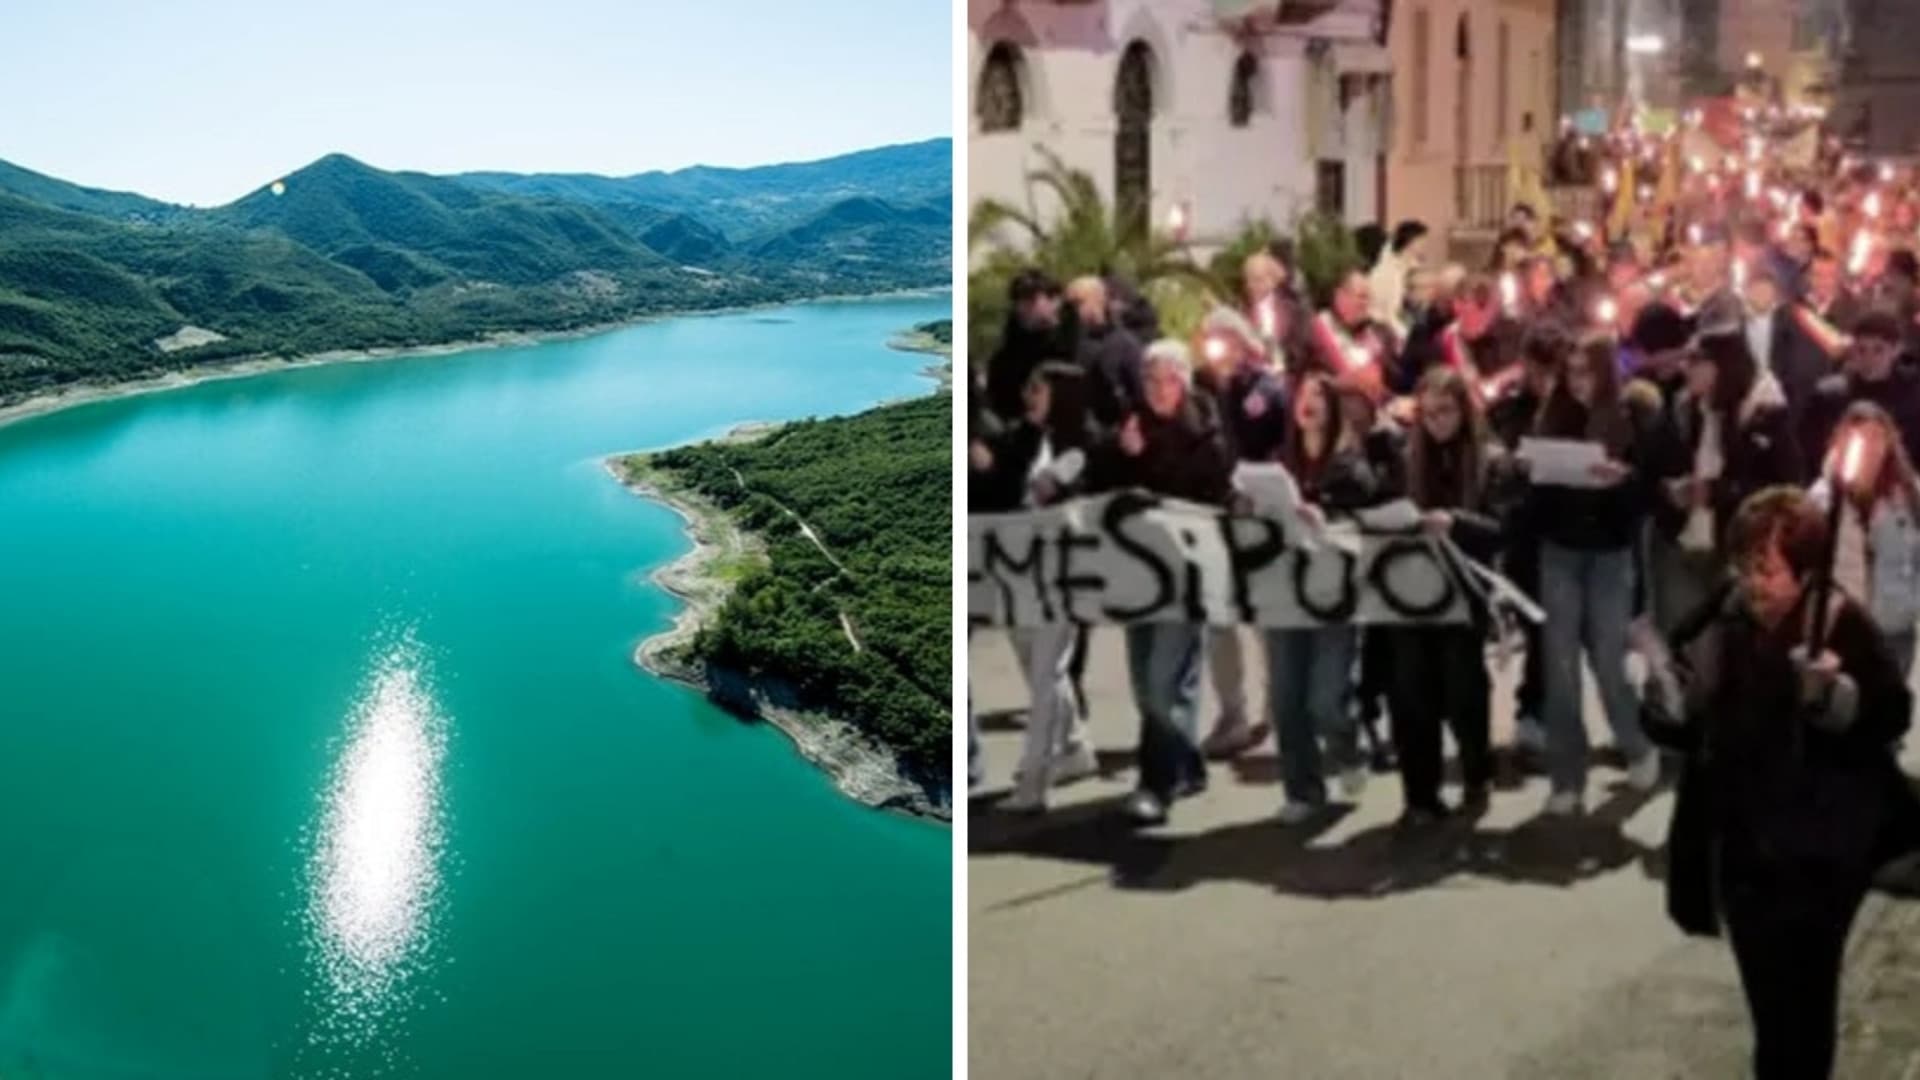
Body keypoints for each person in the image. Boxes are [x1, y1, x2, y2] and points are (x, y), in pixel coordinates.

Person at [1642, 487, 1920, 1080]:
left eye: (1767, 569)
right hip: (1747, 849)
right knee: (1771, 1013)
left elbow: (1890, 715)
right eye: (1743, 565)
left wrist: (1835, 701)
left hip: (1820, 853)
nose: (1752, 583)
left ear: (1806, 570)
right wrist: (1664, 705)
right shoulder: (1725, 613)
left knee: (1806, 1008)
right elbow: (1694, 718)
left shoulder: (1842, 625)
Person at [1086, 341, 1235, 826]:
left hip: (1185, 579)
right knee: (1146, 682)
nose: (1158, 389)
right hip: (1138, 576)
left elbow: (1210, 499)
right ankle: (1187, 765)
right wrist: (1122, 454)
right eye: (1149, 380)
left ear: (1184, 383)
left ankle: (1155, 787)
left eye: (1168, 379)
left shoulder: (1206, 435)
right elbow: (1105, 491)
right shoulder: (1130, 427)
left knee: (1161, 685)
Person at [1526, 334, 1662, 814]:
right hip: (1560, 550)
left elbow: (1651, 489)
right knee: (1560, 666)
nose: (1579, 382)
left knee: (1608, 659)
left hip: (1610, 552)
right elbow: (1535, 497)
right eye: (1572, 371)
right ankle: (1567, 778)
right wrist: (1530, 470)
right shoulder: (1553, 415)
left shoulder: (1632, 415)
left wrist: (1621, 480)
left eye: (1588, 371)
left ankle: (1637, 744)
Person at [1388, 367, 1518, 821]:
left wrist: (1456, 522)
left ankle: (1476, 771)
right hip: (1412, 589)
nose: (1436, 422)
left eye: (1445, 412)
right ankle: (1419, 794)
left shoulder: (1491, 461)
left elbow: (1502, 530)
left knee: (1462, 688)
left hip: (1464, 590)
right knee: (1411, 691)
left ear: (1465, 410)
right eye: (1426, 414)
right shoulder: (1408, 459)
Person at [970, 373, 1099, 812]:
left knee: (1045, 676)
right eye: (1030, 389)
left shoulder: (1074, 448)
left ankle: (1034, 785)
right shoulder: (1022, 436)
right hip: (1020, 572)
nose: (1029, 397)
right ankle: (1075, 749)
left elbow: (1046, 493)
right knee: (1040, 669)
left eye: (1040, 391)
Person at [1268, 372, 1379, 822]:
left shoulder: (1350, 464)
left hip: (1334, 593)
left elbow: (1363, 517)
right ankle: (1302, 790)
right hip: (1283, 591)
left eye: (1319, 396)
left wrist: (1325, 514)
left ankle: (1349, 749)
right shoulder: (1281, 462)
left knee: (1327, 699)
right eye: (1302, 394)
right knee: (1286, 697)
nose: (1308, 402)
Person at [1655, 331, 1801, 631]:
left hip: (1740, 545)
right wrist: (1679, 489)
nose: (1687, 369)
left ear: (1721, 365)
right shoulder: (1695, 409)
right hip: (1693, 539)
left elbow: (1783, 485)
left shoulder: (1764, 412)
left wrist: (1715, 492)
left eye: (1696, 361)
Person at [1190, 307, 1285, 759]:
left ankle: (1276, 702)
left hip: (1257, 513)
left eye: (1224, 339)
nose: (1216, 348)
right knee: (1218, 619)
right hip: (1217, 513)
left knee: (1265, 618)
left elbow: (1268, 444)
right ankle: (1233, 712)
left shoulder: (1264, 388)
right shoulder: (1205, 388)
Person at [1811, 402, 1920, 678]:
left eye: (1877, 438)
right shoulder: (1823, 499)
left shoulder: (1907, 495)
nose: (1870, 447)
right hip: (1843, 628)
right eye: (1861, 438)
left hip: (1894, 625)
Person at [1808, 312, 1920, 467]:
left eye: (1878, 350)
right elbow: (1812, 451)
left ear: (1896, 350)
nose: (1869, 359)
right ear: (1852, 350)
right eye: (1861, 350)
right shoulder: (1830, 396)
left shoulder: (1914, 396)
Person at [1064, 275, 1144, 432]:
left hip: (1112, 430)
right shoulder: (1067, 343)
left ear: (1098, 300)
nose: (1075, 310)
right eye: (1070, 305)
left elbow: (1139, 393)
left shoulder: (1125, 343)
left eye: (1079, 302)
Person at [987, 268, 1067, 422]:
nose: (1026, 308)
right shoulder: (1005, 359)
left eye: (1032, 300)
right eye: (1022, 300)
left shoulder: (1073, 343)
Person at [1369, 220, 1429, 339]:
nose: (1425, 248)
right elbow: (1389, 316)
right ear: (1412, 243)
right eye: (1422, 243)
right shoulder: (1390, 273)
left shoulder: (1401, 271)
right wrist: (1409, 339)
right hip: (1381, 334)